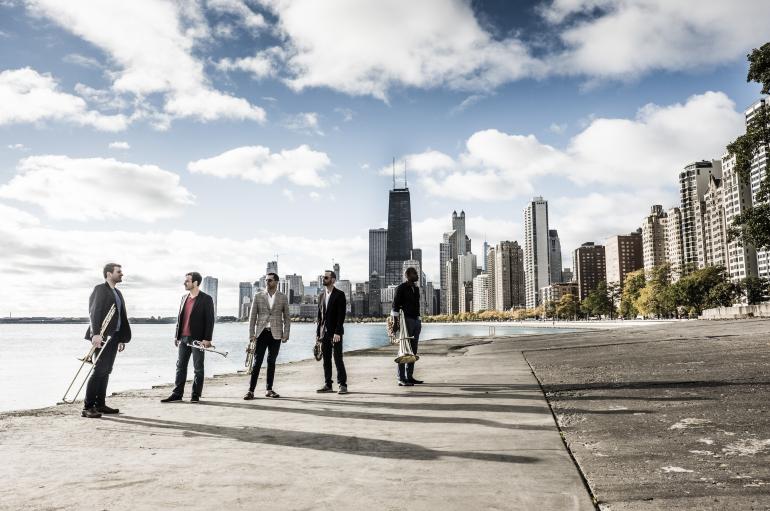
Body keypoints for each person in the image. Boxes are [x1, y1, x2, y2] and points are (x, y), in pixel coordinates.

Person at [82, 263, 131, 418]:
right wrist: (95, 334)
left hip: (114, 337)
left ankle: (100, 404)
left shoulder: (117, 292)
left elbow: (121, 317)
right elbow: (94, 312)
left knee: (107, 370)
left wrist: (121, 338)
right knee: (98, 371)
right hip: (102, 336)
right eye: (119, 272)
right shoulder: (100, 289)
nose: (121, 274)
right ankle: (87, 407)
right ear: (109, 274)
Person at [161, 272, 215, 403]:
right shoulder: (184, 298)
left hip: (198, 339)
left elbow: (210, 320)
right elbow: (180, 318)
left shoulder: (206, 299)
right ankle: (177, 394)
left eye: (187, 281)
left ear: (195, 283)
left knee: (198, 367)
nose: (184, 283)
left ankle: (195, 395)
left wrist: (207, 339)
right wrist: (176, 335)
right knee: (180, 366)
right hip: (183, 338)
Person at [244, 272, 291, 399]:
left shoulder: (283, 297)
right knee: (257, 362)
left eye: (270, 280)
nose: (267, 282)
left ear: (276, 282)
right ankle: (251, 390)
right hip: (261, 333)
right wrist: (251, 334)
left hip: (276, 334)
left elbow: (287, 317)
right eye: (266, 280)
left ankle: (269, 389)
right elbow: (252, 317)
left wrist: (286, 333)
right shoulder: (258, 296)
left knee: (272, 361)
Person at [316, 270, 347, 394]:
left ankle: (342, 384)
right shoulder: (321, 295)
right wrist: (318, 334)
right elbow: (319, 317)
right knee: (326, 359)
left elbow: (341, 315)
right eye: (323, 277)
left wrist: (337, 332)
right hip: (324, 333)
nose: (324, 279)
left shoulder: (340, 294)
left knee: (338, 358)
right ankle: (328, 384)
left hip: (335, 333)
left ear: (333, 280)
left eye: (326, 277)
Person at [392, 267, 424, 386]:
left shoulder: (415, 289)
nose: (417, 275)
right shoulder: (401, 288)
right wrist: (395, 323)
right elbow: (395, 306)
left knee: (413, 351)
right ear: (408, 275)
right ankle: (401, 378)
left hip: (416, 320)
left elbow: (417, 306)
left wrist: (419, 320)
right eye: (415, 273)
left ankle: (409, 377)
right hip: (406, 321)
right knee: (404, 349)